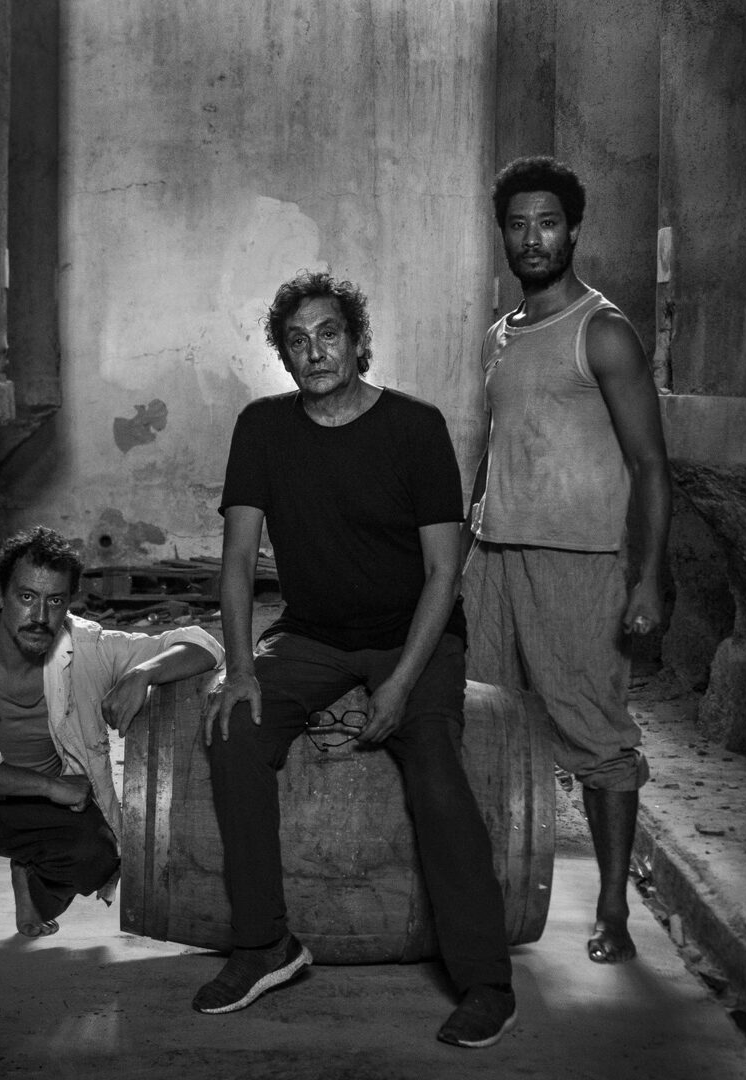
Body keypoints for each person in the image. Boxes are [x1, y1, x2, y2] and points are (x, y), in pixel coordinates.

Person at [195, 270, 517, 1049]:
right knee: (235, 732)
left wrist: (401, 685)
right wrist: (240, 668)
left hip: (413, 634)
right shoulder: (262, 429)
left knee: (434, 764)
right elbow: (236, 562)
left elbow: (443, 571)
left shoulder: (414, 428)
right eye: (297, 340)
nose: (315, 352)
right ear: (284, 355)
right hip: (311, 634)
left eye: (329, 333)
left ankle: (486, 983)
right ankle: (265, 944)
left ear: (358, 341)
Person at [464, 156, 673, 965]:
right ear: (504, 235)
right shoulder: (499, 335)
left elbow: (651, 464)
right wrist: (467, 542)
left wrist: (648, 577)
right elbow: (495, 449)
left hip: (581, 562)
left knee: (596, 737)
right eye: (519, 225)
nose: (533, 238)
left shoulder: (603, 331)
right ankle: (493, 893)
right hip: (495, 560)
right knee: (486, 724)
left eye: (547, 223)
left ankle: (613, 911)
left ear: (574, 230)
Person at [0, 526, 222, 959]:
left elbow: (203, 645)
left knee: (97, 856)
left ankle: (29, 878)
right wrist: (51, 786)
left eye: (55, 601)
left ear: (69, 603)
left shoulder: (87, 645)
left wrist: (142, 673)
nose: (40, 616)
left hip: (38, 811)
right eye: (26, 597)